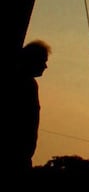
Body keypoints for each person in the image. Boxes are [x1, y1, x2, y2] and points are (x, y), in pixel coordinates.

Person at [11, 39, 50, 177]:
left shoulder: (29, 83)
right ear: (33, 60)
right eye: (43, 61)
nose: (45, 66)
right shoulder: (25, 84)